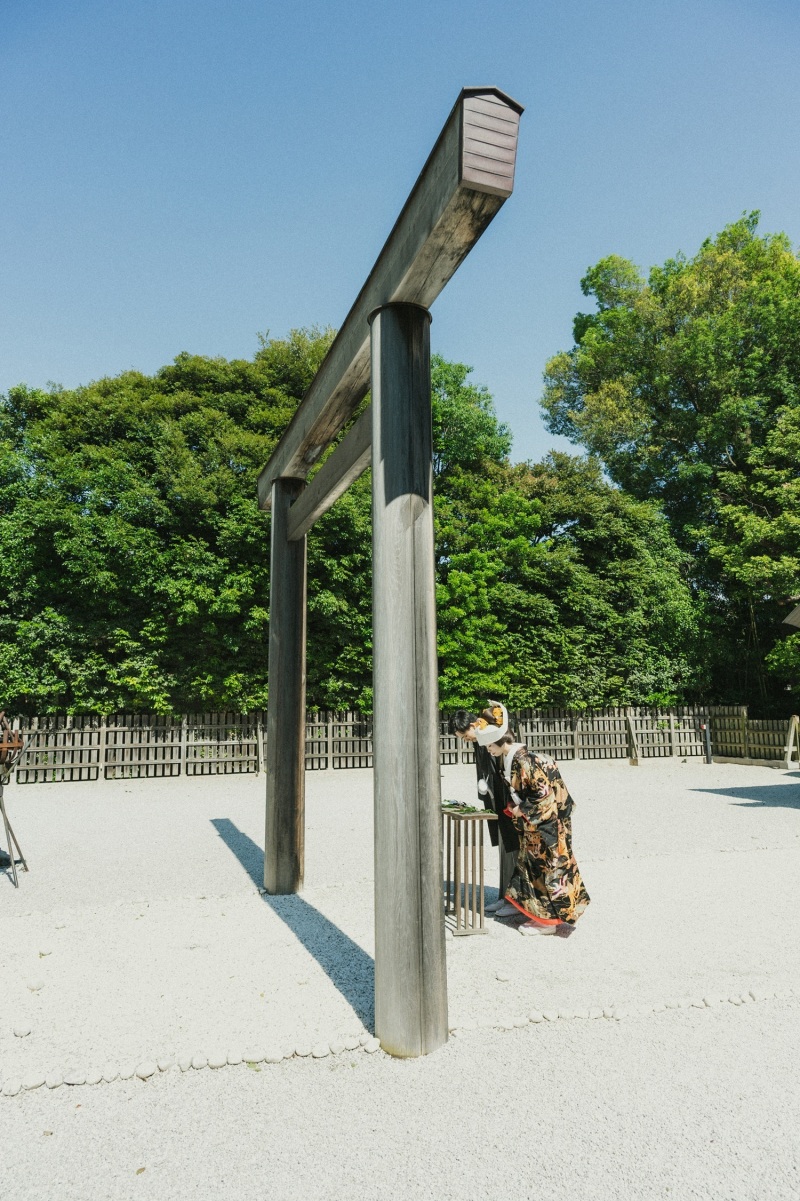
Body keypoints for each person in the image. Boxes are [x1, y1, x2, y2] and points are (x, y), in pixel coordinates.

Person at [474, 706, 590, 936]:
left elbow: (542, 795)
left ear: (500, 741)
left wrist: (520, 809)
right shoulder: (515, 758)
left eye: (489, 746)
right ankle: (536, 914)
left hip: (547, 824)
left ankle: (549, 922)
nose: (489, 750)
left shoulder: (524, 761)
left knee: (549, 869)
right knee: (532, 867)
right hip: (538, 822)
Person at [449, 703, 519, 915]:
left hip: (507, 800)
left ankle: (515, 901)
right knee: (504, 850)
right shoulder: (480, 741)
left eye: (464, 736)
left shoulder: (492, 736)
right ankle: (504, 897)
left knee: (513, 849)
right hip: (494, 799)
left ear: (473, 725)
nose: (465, 740)